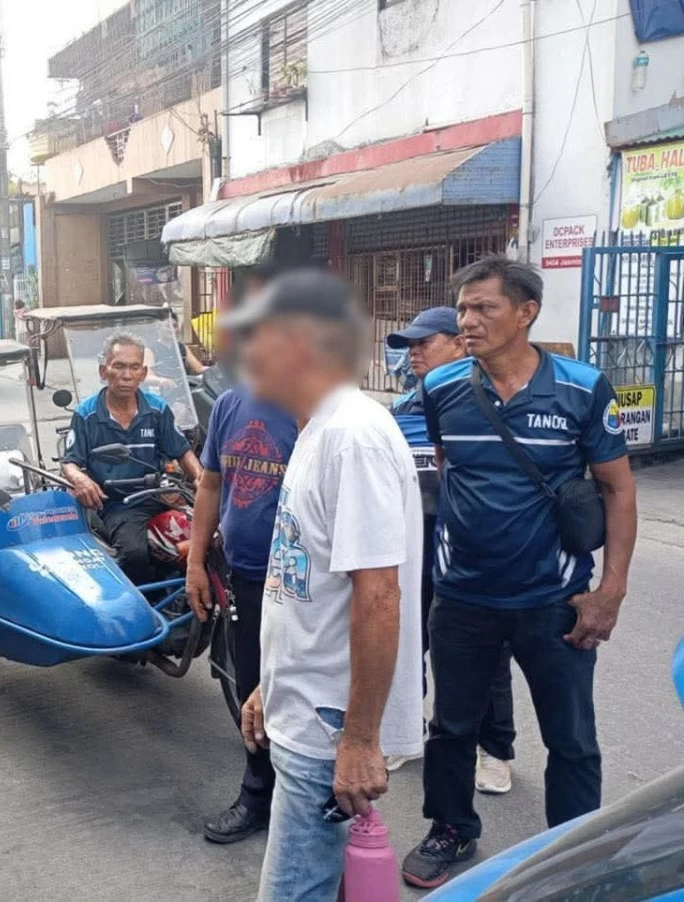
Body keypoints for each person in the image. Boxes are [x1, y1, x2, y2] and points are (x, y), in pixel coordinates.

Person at [402, 256, 637, 889]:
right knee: (450, 727)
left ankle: (574, 850)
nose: (468, 320)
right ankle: (451, 827)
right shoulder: (441, 388)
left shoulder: (584, 389)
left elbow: (617, 490)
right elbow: (450, 469)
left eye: (485, 308)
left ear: (526, 313)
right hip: (462, 598)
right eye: (463, 308)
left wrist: (608, 591)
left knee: (572, 738)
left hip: (555, 600)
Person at [226, 269, 424, 902]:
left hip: (329, 724)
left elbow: (377, 594)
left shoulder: (351, 437)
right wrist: (268, 686)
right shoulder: (315, 429)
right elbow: (305, 583)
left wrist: (361, 739)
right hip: (304, 704)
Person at [384, 308, 518, 791]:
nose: (414, 352)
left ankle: (494, 749)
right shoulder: (398, 412)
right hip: (409, 550)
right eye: (411, 345)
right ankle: (407, 731)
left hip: (469, 553)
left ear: (460, 346)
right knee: (405, 644)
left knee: (484, 655)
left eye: (426, 342)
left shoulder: (482, 408)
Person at [185, 379, 298, 844]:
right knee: (251, 686)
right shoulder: (231, 402)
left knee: (302, 695)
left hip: (301, 583)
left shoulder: (316, 406)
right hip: (245, 576)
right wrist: (195, 561)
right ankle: (257, 795)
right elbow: (211, 484)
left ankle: (304, 803)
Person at [61, 332, 203, 585]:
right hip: (118, 504)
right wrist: (80, 479)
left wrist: (201, 479)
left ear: (144, 372)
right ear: (104, 371)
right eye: (119, 366)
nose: (127, 375)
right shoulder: (87, 414)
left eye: (134, 367)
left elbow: (182, 451)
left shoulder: (157, 408)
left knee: (204, 537)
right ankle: (147, 603)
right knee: (134, 555)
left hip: (158, 494)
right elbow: (70, 462)